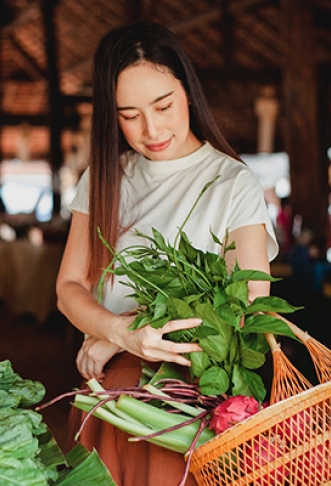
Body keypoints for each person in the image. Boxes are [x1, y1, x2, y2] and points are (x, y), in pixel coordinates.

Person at [56, 21, 278, 486]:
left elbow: (246, 307)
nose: (151, 129)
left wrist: (120, 335)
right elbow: (69, 287)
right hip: (107, 392)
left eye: (164, 106)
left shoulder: (231, 183)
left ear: (189, 93)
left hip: (185, 399)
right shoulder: (104, 176)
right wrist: (117, 333)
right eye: (129, 115)